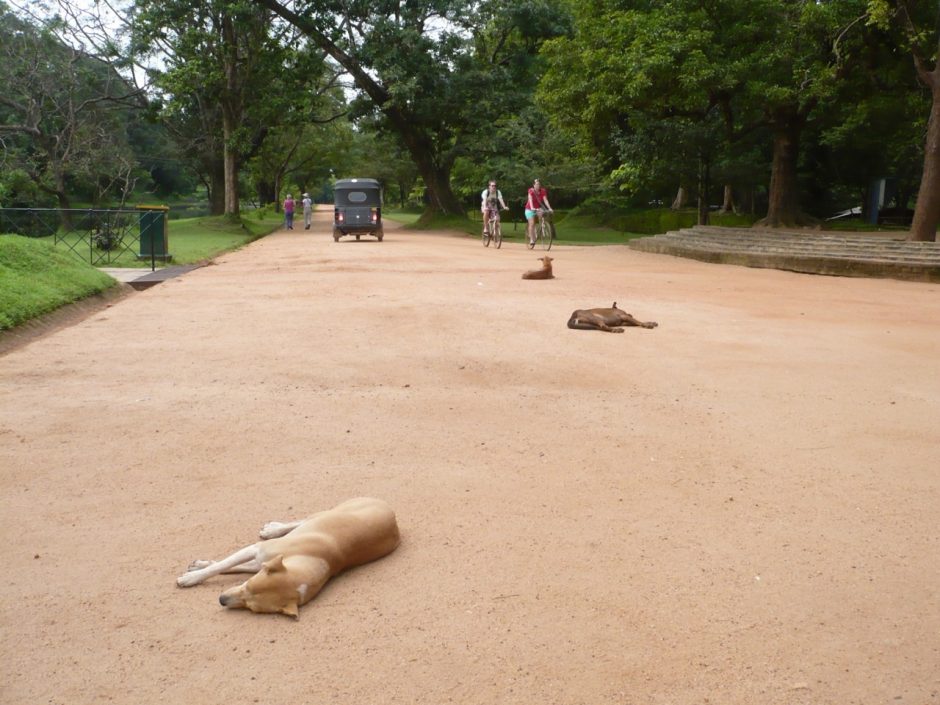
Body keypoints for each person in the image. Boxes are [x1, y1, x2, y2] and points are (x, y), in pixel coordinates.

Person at [525, 178, 553, 248]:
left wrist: (549, 208)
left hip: (538, 208)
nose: (538, 185)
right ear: (533, 185)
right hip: (529, 209)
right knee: (531, 223)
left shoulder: (542, 191)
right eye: (536, 184)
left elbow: (545, 200)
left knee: (542, 215)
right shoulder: (531, 191)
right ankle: (531, 239)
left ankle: (542, 227)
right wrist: (532, 208)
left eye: (539, 184)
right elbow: (530, 199)